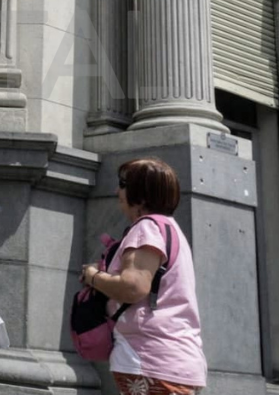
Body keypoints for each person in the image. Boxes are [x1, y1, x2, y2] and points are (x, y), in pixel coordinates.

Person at [80, 158, 206, 395]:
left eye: (123, 184)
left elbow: (132, 287)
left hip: (149, 358)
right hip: (177, 360)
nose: (117, 191)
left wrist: (93, 276)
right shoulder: (170, 229)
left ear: (141, 194)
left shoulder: (146, 228)